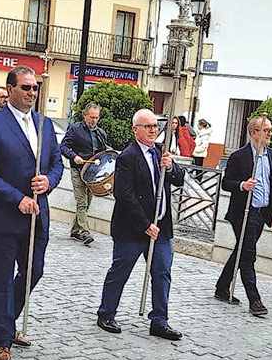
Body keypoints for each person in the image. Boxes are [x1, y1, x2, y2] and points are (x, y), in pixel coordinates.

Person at [0, 66, 62, 360]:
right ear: (10, 89)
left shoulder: (45, 125)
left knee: (33, 271)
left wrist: (49, 181)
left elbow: (56, 164)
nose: (31, 93)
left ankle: (6, 321)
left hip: (38, 216)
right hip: (4, 214)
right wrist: (18, 198)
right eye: (25, 87)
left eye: (34, 88)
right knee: (0, 278)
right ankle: (2, 339)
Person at [96, 108, 185, 341]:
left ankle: (159, 321)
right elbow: (124, 194)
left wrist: (171, 166)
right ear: (136, 129)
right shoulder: (127, 156)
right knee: (120, 271)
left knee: (162, 272)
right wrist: (145, 224)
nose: (153, 130)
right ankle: (106, 313)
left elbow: (179, 179)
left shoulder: (160, 152)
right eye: (148, 126)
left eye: (155, 126)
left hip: (162, 227)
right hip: (133, 229)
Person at [215, 115, 272, 316]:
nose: (269, 134)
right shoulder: (239, 156)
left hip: (262, 211)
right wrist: (242, 185)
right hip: (243, 212)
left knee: (242, 250)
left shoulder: (271, 155)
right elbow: (226, 183)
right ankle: (255, 299)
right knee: (248, 255)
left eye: (270, 130)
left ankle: (222, 287)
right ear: (254, 133)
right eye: (265, 130)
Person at [60, 103, 108, 246]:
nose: (94, 120)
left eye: (96, 117)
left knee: (87, 202)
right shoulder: (75, 130)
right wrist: (74, 156)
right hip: (78, 170)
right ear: (84, 115)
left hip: (93, 173)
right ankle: (85, 232)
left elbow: (103, 152)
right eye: (91, 117)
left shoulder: (101, 133)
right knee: (82, 201)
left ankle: (75, 230)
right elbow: (63, 146)